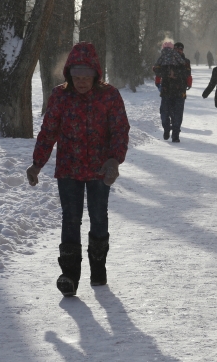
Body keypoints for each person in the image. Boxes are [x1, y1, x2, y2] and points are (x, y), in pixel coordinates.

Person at [26, 42, 130, 297]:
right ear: (69, 75)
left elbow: (119, 130)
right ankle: (70, 275)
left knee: (98, 217)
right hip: (69, 169)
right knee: (70, 219)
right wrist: (37, 163)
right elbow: (48, 131)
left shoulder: (109, 96)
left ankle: (98, 268)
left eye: (86, 77)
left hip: (100, 169)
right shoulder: (60, 96)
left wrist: (115, 160)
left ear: (96, 75)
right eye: (76, 77)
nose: (81, 82)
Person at [153, 41, 191, 142]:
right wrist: (168, 73)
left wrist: (176, 74)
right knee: (164, 114)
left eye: (180, 49)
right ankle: (166, 128)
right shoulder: (166, 59)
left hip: (180, 92)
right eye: (176, 48)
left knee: (177, 115)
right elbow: (157, 70)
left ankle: (175, 135)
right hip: (166, 91)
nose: (178, 51)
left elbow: (186, 73)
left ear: (183, 51)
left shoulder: (186, 61)